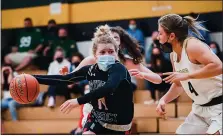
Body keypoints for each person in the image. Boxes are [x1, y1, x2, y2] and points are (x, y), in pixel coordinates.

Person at [32, 28, 134, 134]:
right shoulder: (90, 69)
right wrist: (34, 78)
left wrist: (78, 101)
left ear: (116, 53)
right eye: (102, 52)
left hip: (119, 125)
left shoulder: (119, 69)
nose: (107, 55)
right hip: (98, 119)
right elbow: (66, 79)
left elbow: (109, 87)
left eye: (111, 52)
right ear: (95, 55)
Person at [155, 14, 222, 134]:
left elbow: (219, 66)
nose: (158, 38)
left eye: (160, 33)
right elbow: (179, 84)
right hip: (199, 109)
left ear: (172, 36)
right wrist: (164, 100)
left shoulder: (192, 46)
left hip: (219, 106)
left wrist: (188, 75)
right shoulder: (173, 55)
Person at [60, 25, 162, 85]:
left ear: (121, 43)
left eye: (115, 38)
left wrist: (144, 75)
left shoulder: (127, 62)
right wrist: (65, 76)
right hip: (95, 109)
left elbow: (158, 79)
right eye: (109, 37)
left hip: (118, 110)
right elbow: (71, 80)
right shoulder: (91, 60)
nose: (112, 40)